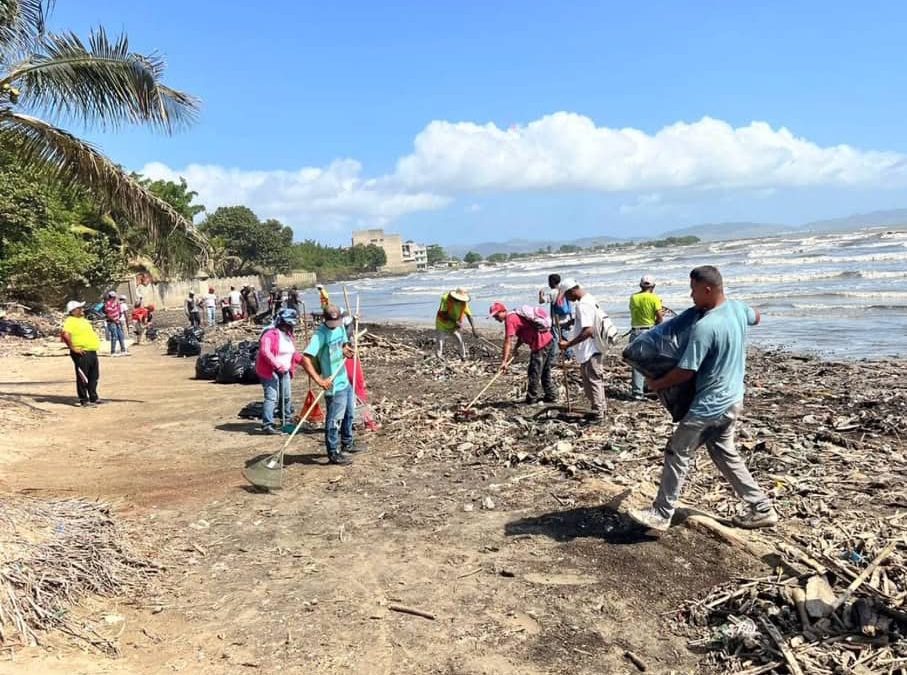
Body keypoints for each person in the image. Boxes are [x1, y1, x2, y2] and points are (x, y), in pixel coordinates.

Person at [628, 266, 778, 532]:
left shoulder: (705, 327)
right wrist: (745, 315)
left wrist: (656, 383)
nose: (691, 295)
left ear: (707, 289)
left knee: (677, 452)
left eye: (694, 290)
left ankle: (662, 513)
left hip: (710, 405)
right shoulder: (737, 309)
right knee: (724, 453)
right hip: (733, 399)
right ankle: (762, 508)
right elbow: (757, 316)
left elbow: (685, 372)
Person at [300, 305, 358, 465]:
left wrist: (346, 350)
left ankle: (347, 442)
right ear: (325, 319)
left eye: (338, 321)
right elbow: (304, 359)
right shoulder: (320, 335)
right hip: (332, 385)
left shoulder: (339, 328)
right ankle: (333, 452)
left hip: (343, 379)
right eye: (332, 322)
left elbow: (343, 345)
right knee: (334, 420)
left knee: (349, 414)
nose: (336, 324)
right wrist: (320, 380)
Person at [557, 278, 606, 421]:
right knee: (594, 379)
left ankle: (598, 412)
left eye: (566, 295)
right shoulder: (589, 299)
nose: (567, 299)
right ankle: (601, 409)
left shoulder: (583, 305)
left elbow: (588, 330)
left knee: (592, 381)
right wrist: (572, 322)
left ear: (572, 291)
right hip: (595, 346)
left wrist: (568, 344)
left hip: (590, 349)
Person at [490, 302, 557, 404]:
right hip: (549, 340)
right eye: (494, 316)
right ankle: (550, 395)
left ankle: (532, 398)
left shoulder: (510, 320)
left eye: (496, 315)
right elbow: (521, 334)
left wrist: (504, 361)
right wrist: (516, 348)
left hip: (540, 343)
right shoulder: (515, 316)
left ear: (503, 311)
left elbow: (508, 341)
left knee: (534, 371)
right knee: (544, 371)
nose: (495, 318)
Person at [255, 308, 304, 435]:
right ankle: (267, 424)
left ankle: (286, 421)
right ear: (282, 323)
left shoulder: (289, 336)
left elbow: (293, 353)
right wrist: (277, 365)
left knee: (286, 396)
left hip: (285, 370)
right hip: (269, 370)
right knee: (271, 397)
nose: (290, 327)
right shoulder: (270, 334)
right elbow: (265, 352)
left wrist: (305, 362)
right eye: (289, 324)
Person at [628, 274, 665, 400]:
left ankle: (639, 390)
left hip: (635, 332)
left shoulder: (633, 297)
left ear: (640, 285)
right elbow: (659, 318)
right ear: (653, 286)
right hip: (648, 331)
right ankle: (644, 390)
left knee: (637, 363)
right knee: (651, 362)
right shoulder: (654, 298)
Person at [61, 300, 102, 406]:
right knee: (83, 377)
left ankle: (93, 397)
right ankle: (84, 399)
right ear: (73, 311)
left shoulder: (83, 320)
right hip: (82, 352)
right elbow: (65, 335)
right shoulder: (70, 321)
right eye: (80, 308)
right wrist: (73, 348)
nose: (82, 310)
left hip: (91, 351)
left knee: (94, 376)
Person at [435, 288, 478, 359]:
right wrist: (455, 321)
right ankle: (438, 358)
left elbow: (469, 315)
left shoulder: (463, 303)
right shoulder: (446, 299)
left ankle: (463, 357)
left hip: (453, 325)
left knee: (459, 340)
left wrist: (473, 329)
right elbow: (443, 313)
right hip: (442, 323)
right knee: (440, 341)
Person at [539, 273, 574, 350]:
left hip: (556, 321)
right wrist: (571, 318)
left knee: (556, 339)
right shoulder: (564, 291)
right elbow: (569, 305)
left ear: (551, 282)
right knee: (565, 338)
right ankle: (569, 355)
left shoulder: (552, 293)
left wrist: (541, 295)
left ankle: (556, 355)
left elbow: (542, 301)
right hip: (566, 319)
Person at [103, 290, 127, 355]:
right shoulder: (108, 304)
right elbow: (108, 314)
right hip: (111, 322)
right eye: (113, 297)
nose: (114, 298)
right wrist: (114, 320)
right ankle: (113, 351)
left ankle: (123, 350)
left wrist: (118, 319)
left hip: (117, 321)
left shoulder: (117, 303)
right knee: (114, 336)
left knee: (120, 335)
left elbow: (119, 312)